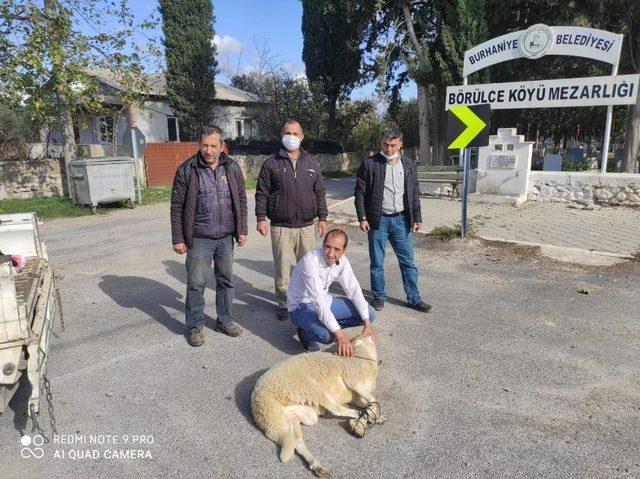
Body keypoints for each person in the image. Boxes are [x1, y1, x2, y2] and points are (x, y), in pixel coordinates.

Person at [170, 126, 248, 346]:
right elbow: (177, 206)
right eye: (205, 145)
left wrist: (242, 229)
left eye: (214, 145)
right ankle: (195, 326)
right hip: (199, 238)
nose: (209, 150)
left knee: (226, 281)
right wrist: (178, 237)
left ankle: (224, 320)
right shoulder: (187, 169)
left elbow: (241, 199)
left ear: (222, 146)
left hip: (225, 238)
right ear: (199, 145)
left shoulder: (232, 168)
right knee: (196, 283)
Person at [255, 120, 328, 321]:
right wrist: (261, 218)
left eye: (295, 133)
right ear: (282, 135)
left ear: (302, 137)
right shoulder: (271, 163)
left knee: (308, 267)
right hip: (281, 226)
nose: (291, 136)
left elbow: (320, 192)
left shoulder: (312, 163)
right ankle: (284, 303)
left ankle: (304, 300)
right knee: (282, 268)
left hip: (306, 226)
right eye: (288, 132)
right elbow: (262, 193)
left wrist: (322, 217)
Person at [354, 128, 431, 313]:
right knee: (377, 263)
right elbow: (359, 192)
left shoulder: (409, 164)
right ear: (381, 143)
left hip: (401, 221)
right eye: (385, 144)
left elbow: (414, 193)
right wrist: (362, 217)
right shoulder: (370, 164)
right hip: (377, 221)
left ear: (400, 145)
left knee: (408, 262)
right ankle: (379, 297)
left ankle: (414, 298)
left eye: (393, 145)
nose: (389, 148)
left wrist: (417, 217)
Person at [288, 229, 376, 355]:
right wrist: (340, 335)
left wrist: (368, 327)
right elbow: (318, 301)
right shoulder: (310, 262)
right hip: (300, 306)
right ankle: (304, 333)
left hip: (325, 301)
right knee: (327, 336)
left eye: (336, 249)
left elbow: (354, 289)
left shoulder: (343, 261)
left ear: (344, 250)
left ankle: (328, 325)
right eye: (327, 247)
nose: (330, 253)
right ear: (323, 244)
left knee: (370, 314)